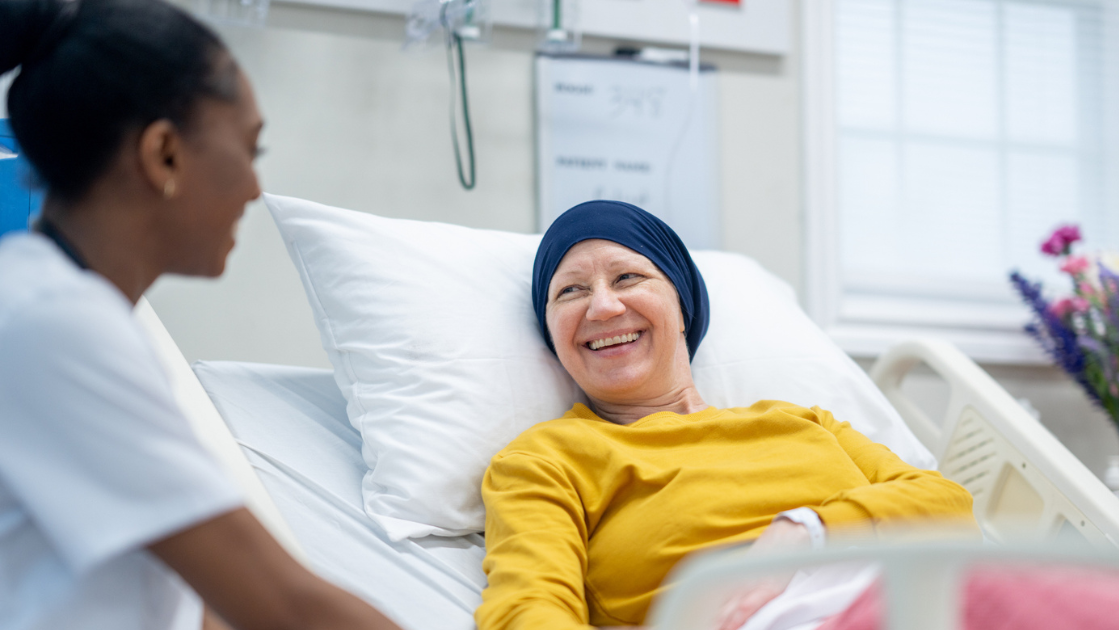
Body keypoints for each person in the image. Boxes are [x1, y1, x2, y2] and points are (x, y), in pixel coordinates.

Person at [0, 1, 405, 629]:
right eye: (249, 148)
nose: (253, 187)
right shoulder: (53, 326)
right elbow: (287, 606)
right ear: (163, 154)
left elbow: (193, 599)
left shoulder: (76, 311)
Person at [473, 200, 979, 630]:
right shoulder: (544, 460)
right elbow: (529, 606)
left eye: (628, 277)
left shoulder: (802, 422)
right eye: (570, 291)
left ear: (682, 303)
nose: (603, 307)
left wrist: (805, 532)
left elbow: (948, 506)